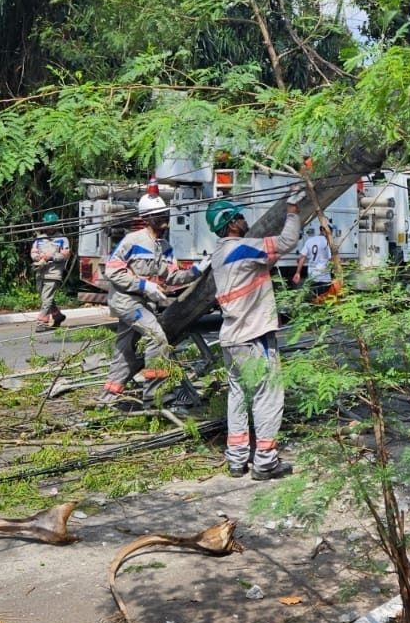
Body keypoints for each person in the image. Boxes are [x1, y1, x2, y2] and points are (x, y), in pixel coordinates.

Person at [211, 190, 302, 481]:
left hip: (232, 338)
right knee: (268, 395)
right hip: (254, 337)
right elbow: (287, 242)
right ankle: (265, 461)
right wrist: (291, 209)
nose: (244, 218)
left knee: (238, 396)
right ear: (231, 224)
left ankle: (236, 460)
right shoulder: (243, 248)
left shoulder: (219, 253)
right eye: (239, 216)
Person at [97, 189, 193, 407]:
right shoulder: (133, 241)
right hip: (126, 300)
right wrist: (143, 284)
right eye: (159, 215)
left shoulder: (165, 247)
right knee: (156, 337)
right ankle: (154, 393)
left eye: (165, 214)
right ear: (147, 218)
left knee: (125, 352)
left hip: (142, 302)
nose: (164, 219)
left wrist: (197, 271)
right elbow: (112, 271)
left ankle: (107, 399)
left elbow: (173, 275)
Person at [30, 212, 71, 331]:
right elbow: (33, 252)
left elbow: (65, 255)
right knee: (44, 297)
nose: (50, 228)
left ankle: (42, 321)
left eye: (52, 225)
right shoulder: (39, 239)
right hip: (40, 271)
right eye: (48, 225)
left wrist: (51, 257)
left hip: (54, 273)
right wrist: (38, 257)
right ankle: (58, 316)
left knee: (46, 298)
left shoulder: (63, 239)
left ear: (56, 225)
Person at [292, 219, 334, 300]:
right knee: (323, 300)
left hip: (312, 275)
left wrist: (297, 272)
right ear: (325, 230)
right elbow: (331, 259)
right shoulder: (328, 242)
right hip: (324, 277)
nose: (331, 233)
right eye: (330, 230)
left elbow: (302, 257)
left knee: (314, 298)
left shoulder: (310, 240)